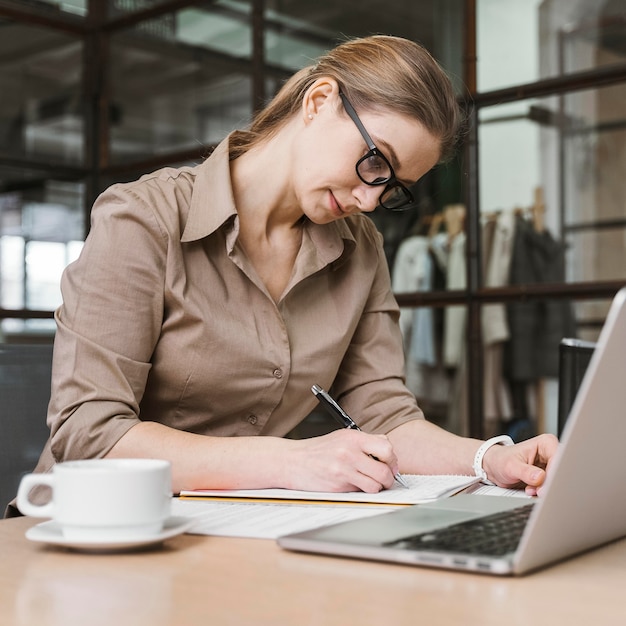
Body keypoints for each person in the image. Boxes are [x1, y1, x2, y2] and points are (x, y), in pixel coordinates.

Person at [14, 35, 557, 515]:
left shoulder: (359, 249)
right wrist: (293, 461)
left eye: (392, 189)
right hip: (92, 532)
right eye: (374, 162)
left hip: (230, 532)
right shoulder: (144, 218)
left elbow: (385, 415)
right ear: (320, 101)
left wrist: (491, 459)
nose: (370, 200)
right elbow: (89, 435)